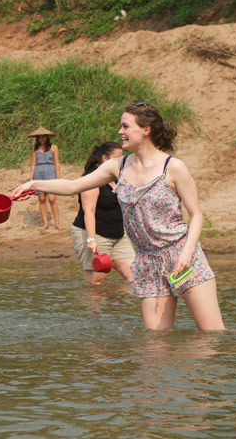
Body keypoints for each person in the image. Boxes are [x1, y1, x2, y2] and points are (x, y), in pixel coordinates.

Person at [12, 102, 224, 331]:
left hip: (183, 257)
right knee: (155, 346)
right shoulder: (117, 167)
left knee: (212, 336)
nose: (120, 132)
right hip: (147, 261)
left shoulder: (173, 167)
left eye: (125, 126)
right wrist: (34, 184)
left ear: (146, 129)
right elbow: (73, 186)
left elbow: (196, 215)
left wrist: (186, 253)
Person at [72, 141, 134, 285]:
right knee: (97, 284)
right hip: (96, 235)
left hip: (117, 235)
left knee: (135, 277)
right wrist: (91, 240)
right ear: (105, 158)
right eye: (117, 158)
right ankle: (95, 308)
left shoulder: (118, 177)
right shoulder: (92, 178)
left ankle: (119, 307)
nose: (121, 161)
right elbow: (89, 210)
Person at [28, 126, 63, 230]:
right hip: (38, 174)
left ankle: (57, 223)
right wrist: (31, 178)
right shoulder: (35, 149)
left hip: (50, 173)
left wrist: (58, 177)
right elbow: (33, 164)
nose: (41, 139)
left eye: (43, 137)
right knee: (42, 199)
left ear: (47, 137)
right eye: (39, 137)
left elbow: (57, 163)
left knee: (52, 199)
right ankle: (45, 223)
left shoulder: (54, 148)